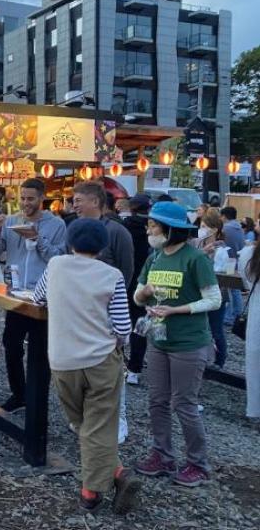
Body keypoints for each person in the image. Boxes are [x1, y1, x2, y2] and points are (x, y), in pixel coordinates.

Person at [32, 218, 140, 514]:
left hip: (63, 359)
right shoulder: (113, 275)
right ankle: (107, 478)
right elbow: (122, 326)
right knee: (98, 424)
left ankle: (96, 485)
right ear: (103, 246)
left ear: (70, 242)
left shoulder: (55, 266)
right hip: (101, 359)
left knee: (82, 422)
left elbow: (39, 298)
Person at [133, 201, 221, 487]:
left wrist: (175, 310)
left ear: (170, 230)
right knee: (157, 400)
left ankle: (198, 463)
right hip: (158, 340)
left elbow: (214, 299)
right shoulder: (154, 257)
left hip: (189, 341)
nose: (149, 229)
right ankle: (162, 454)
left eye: (153, 225)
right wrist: (144, 293)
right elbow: (137, 296)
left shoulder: (195, 258)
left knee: (184, 403)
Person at [0, 178, 67, 412]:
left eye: (31, 199)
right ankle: (19, 393)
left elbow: (58, 259)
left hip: (44, 296)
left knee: (40, 350)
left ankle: (37, 399)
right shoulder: (11, 221)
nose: (25, 203)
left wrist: (36, 238)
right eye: (22, 198)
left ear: (42, 198)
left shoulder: (57, 225)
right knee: (11, 344)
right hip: (16, 295)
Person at [73, 181, 135, 443]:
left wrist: (116, 304)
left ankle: (118, 420)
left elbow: (127, 270)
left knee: (112, 369)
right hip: (80, 312)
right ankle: (87, 418)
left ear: (96, 202)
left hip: (109, 312)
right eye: (73, 200)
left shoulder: (117, 232)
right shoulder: (72, 229)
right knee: (82, 369)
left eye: (79, 200)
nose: (74, 205)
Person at [192, 209, 230, 369]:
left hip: (217, 294)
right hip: (198, 293)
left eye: (204, 226)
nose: (201, 229)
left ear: (214, 229)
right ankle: (203, 358)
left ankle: (220, 361)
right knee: (201, 328)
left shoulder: (221, 249)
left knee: (216, 328)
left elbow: (222, 272)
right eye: (201, 225)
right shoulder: (198, 244)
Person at [123, 194, 152, 385]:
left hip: (124, 280)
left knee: (117, 322)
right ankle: (135, 367)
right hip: (145, 283)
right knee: (140, 325)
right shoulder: (152, 229)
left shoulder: (124, 226)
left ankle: (119, 362)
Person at [238, 239, 260, 419]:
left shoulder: (250, 254)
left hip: (257, 320)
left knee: (256, 365)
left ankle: (256, 408)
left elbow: (247, 281)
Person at [221, 206, 246, 326]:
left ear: (224, 216)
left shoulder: (225, 229)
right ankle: (238, 313)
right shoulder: (239, 228)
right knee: (235, 288)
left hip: (228, 261)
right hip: (237, 260)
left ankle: (228, 317)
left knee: (228, 289)